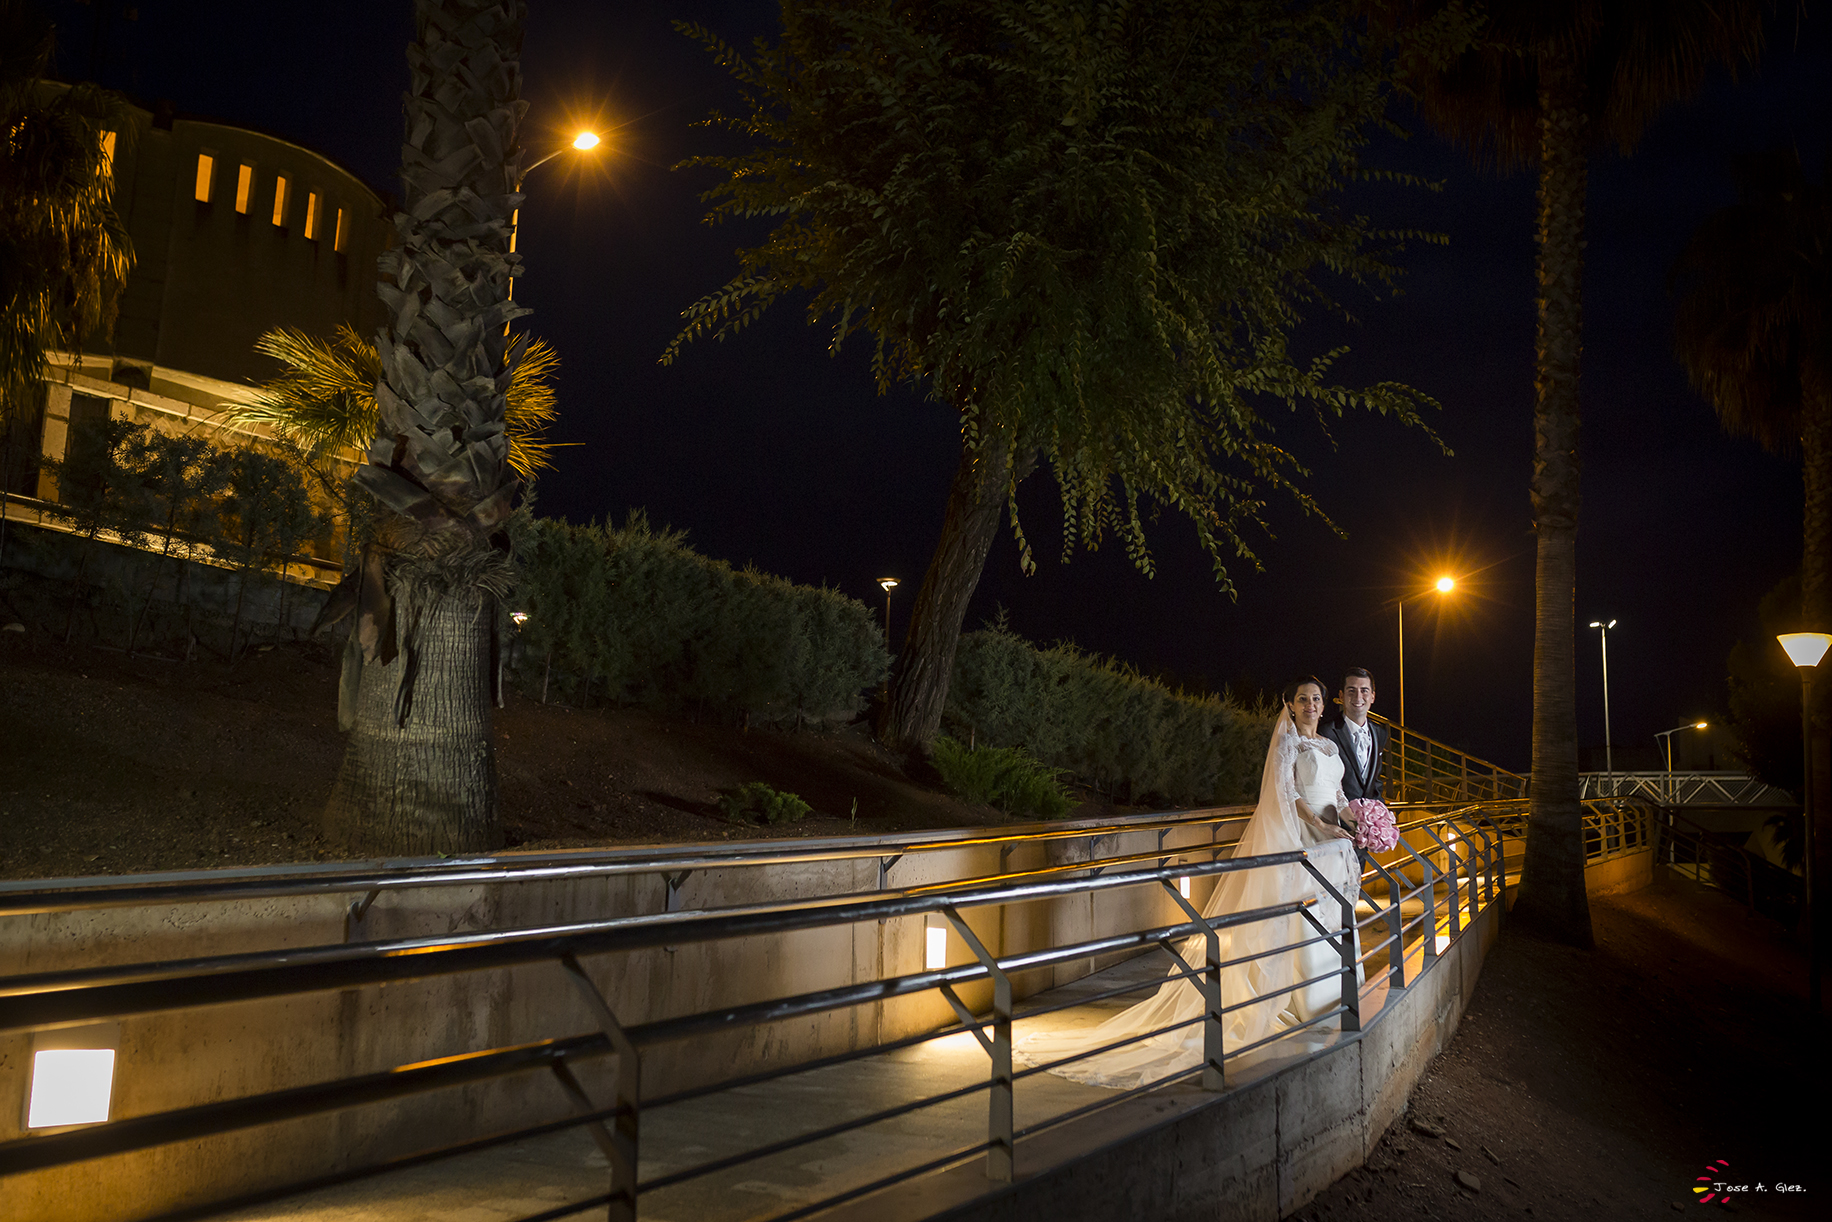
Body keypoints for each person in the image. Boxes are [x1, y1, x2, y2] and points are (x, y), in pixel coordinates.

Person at [1015, 677, 1365, 1089]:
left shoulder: (1329, 745)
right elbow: (1288, 794)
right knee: (1301, 917)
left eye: (1316, 699)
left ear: (1324, 704)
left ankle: (1333, 990)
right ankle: (1302, 998)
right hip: (1304, 836)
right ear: (1289, 705)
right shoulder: (1289, 744)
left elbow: (1338, 794)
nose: (1311, 705)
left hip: (1333, 843)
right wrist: (1320, 824)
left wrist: (1357, 821)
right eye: (1302, 699)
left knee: (1330, 915)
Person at [1319, 667, 1387, 803]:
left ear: (1372, 696)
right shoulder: (1326, 732)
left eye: (1364, 690)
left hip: (1369, 814)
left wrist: (1379, 810)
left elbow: (1375, 782)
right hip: (1337, 813)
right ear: (1341, 696)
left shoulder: (1380, 732)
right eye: (1351, 691)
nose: (1358, 697)